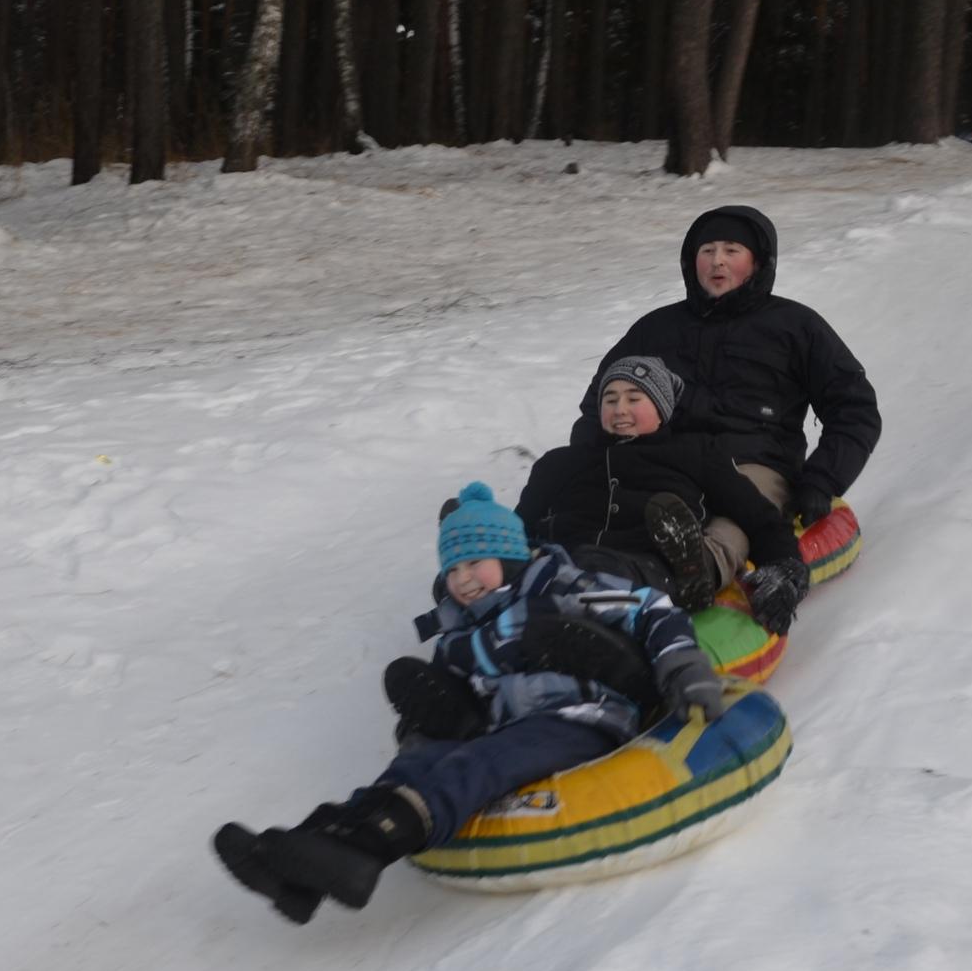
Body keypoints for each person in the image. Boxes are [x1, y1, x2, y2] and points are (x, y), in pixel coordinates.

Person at [212, 483, 725, 925]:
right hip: (503, 725)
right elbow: (453, 690)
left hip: (582, 716)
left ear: (510, 554)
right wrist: (424, 729)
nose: (462, 579)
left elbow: (650, 608)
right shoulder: (457, 631)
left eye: (474, 562)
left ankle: (369, 846)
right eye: (452, 567)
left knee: (478, 763)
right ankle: (304, 862)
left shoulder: (560, 585)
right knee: (420, 759)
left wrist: (682, 666)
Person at [571, 205, 878, 602]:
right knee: (620, 506)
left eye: (732, 250)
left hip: (753, 462)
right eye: (707, 250)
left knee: (738, 513)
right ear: (691, 261)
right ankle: (565, 566)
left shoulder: (796, 327)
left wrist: (822, 480)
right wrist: (586, 464)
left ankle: (697, 570)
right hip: (664, 458)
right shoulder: (656, 329)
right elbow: (600, 402)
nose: (717, 260)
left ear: (757, 261)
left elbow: (854, 409)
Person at [516, 355, 811, 635]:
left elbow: (756, 514)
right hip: (563, 558)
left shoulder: (693, 453)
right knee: (544, 569)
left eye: (634, 399)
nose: (620, 409)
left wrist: (784, 567)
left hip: (649, 561)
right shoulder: (559, 463)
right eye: (610, 399)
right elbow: (521, 524)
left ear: (661, 409)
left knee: (595, 570)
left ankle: (688, 579)